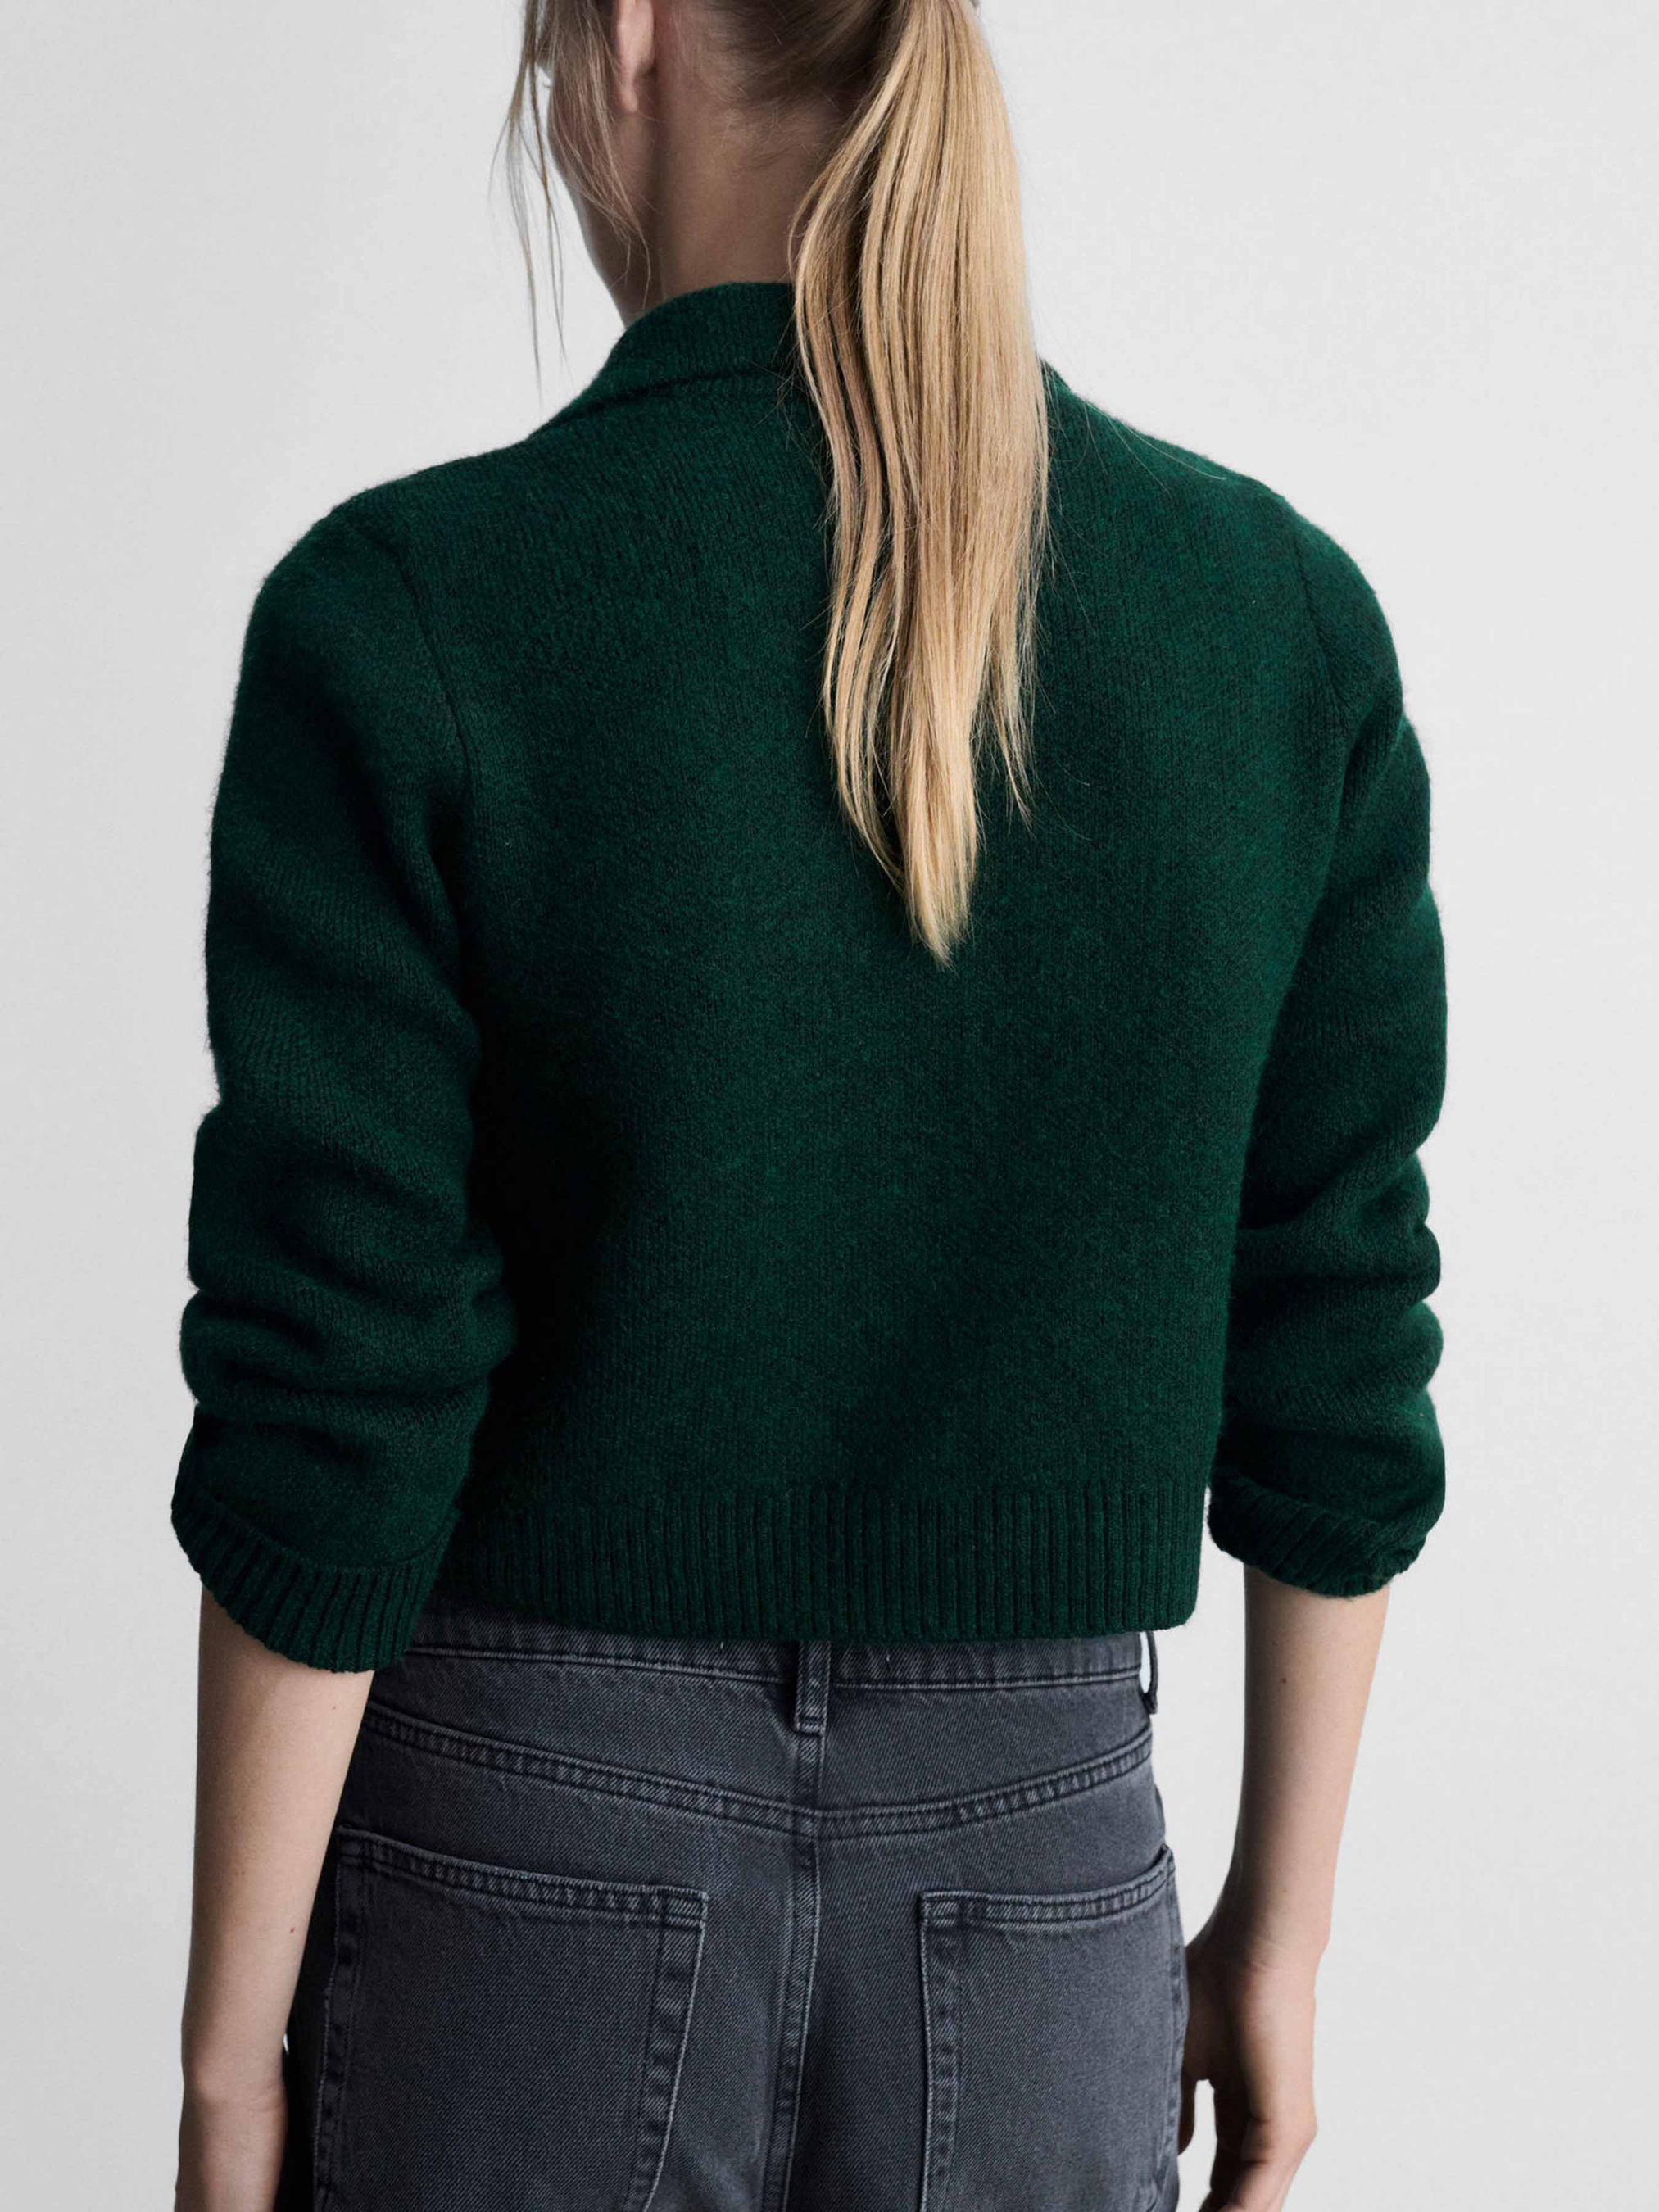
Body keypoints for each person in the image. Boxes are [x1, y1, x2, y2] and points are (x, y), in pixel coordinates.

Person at [170, 2, 1447, 2208]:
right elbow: (1333, 1347)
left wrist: (223, 2068)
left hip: (524, 1858)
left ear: (630, 33)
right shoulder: (1273, 628)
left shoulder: (410, 614)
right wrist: (1281, 1929)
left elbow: (335, 1397)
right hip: (1043, 1875)